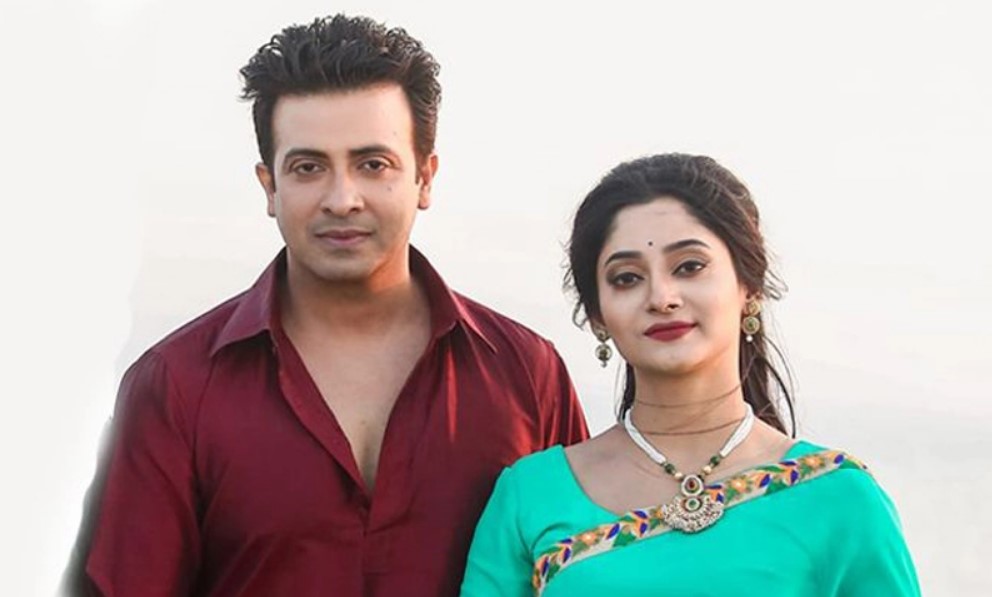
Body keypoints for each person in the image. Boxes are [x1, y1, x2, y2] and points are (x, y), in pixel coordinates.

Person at [64, 15, 588, 597]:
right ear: (270, 186)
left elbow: (584, 576)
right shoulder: (175, 386)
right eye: (309, 167)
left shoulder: (527, 376)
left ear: (425, 178)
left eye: (373, 164)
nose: (342, 199)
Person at [460, 153, 920, 596]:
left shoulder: (839, 499)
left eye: (689, 267)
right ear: (597, 315)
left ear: (749, 286)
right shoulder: (531, 496)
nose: (662, 297)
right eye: (626, 278)